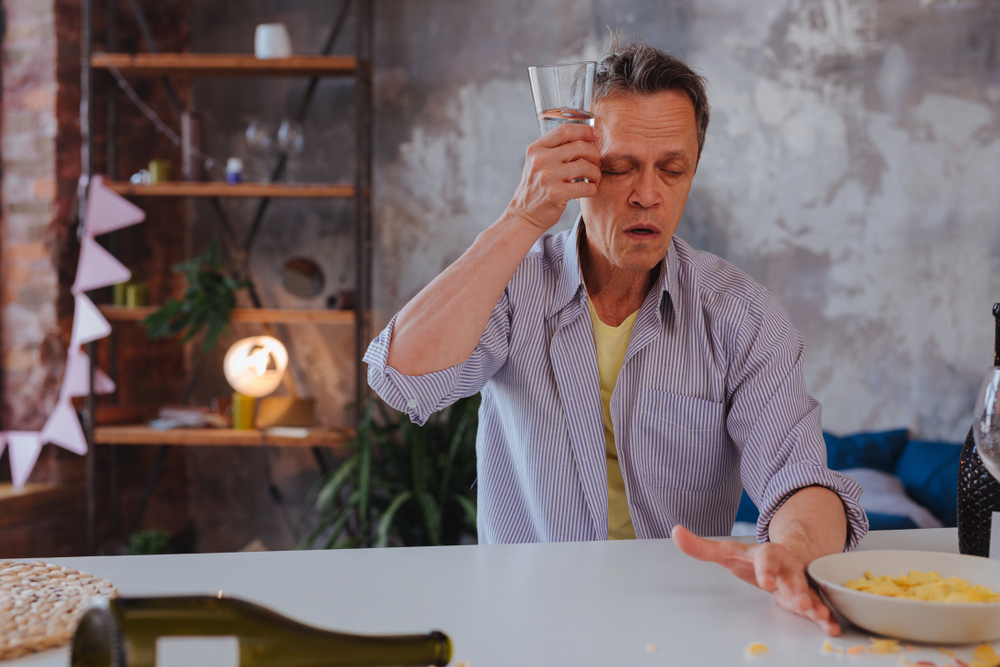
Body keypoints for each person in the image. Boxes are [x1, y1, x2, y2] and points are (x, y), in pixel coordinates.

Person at [365, 36, 867, 635]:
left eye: (672, 169)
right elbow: (400, 377)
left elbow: (799, 478)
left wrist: (795, 549)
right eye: (620, 166)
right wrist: (522, 218)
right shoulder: (515, 288)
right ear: (577, 166)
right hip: (526, 622)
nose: (647, 193)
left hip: (687, 625)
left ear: (693, 170)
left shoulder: (742, 316)